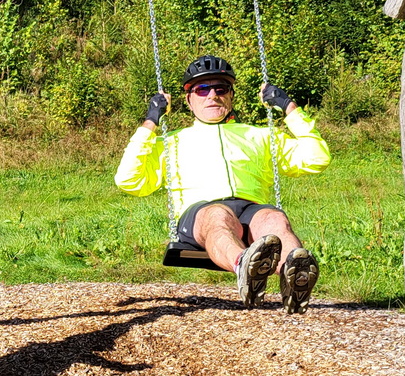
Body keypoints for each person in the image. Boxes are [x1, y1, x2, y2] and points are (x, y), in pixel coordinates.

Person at [115, 55, 329, 312]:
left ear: (230, 96)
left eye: (221, 88)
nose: (212, 95)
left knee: (275, 220)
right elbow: (128, 180)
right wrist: (151, 121)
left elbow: (317, 158)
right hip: (200, 215)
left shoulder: (259, 135)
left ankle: (294, 276)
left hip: (249, 209)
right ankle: (245, 267)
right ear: (189, 100)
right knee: (219, 214)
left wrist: (289, 108)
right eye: (202, 89)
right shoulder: (171, 142)